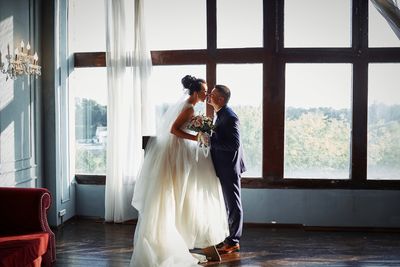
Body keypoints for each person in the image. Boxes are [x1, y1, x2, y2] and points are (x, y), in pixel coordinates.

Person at [129, 75, 229, 267]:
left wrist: (198, 133)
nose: (206, 93)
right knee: (174, 193)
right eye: (204, 91)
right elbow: (174, 130)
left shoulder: (189, 106)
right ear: (196, 92)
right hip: (176, 153)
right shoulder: (188, 107)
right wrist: (196, 138)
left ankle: (178, 238)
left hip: (180, 151)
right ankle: (167, 242)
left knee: (178, 194)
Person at [208, 84, 246, 254]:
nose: (209, 95)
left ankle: (233, 241)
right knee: (228, 204)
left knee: (233, 204)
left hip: (229, 167)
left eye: (213, 94)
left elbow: (234, 145)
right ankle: (228, 239)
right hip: (224, 166)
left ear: (221, 99)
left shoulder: (230, 117)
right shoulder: (220, 114)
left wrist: (210, 141)